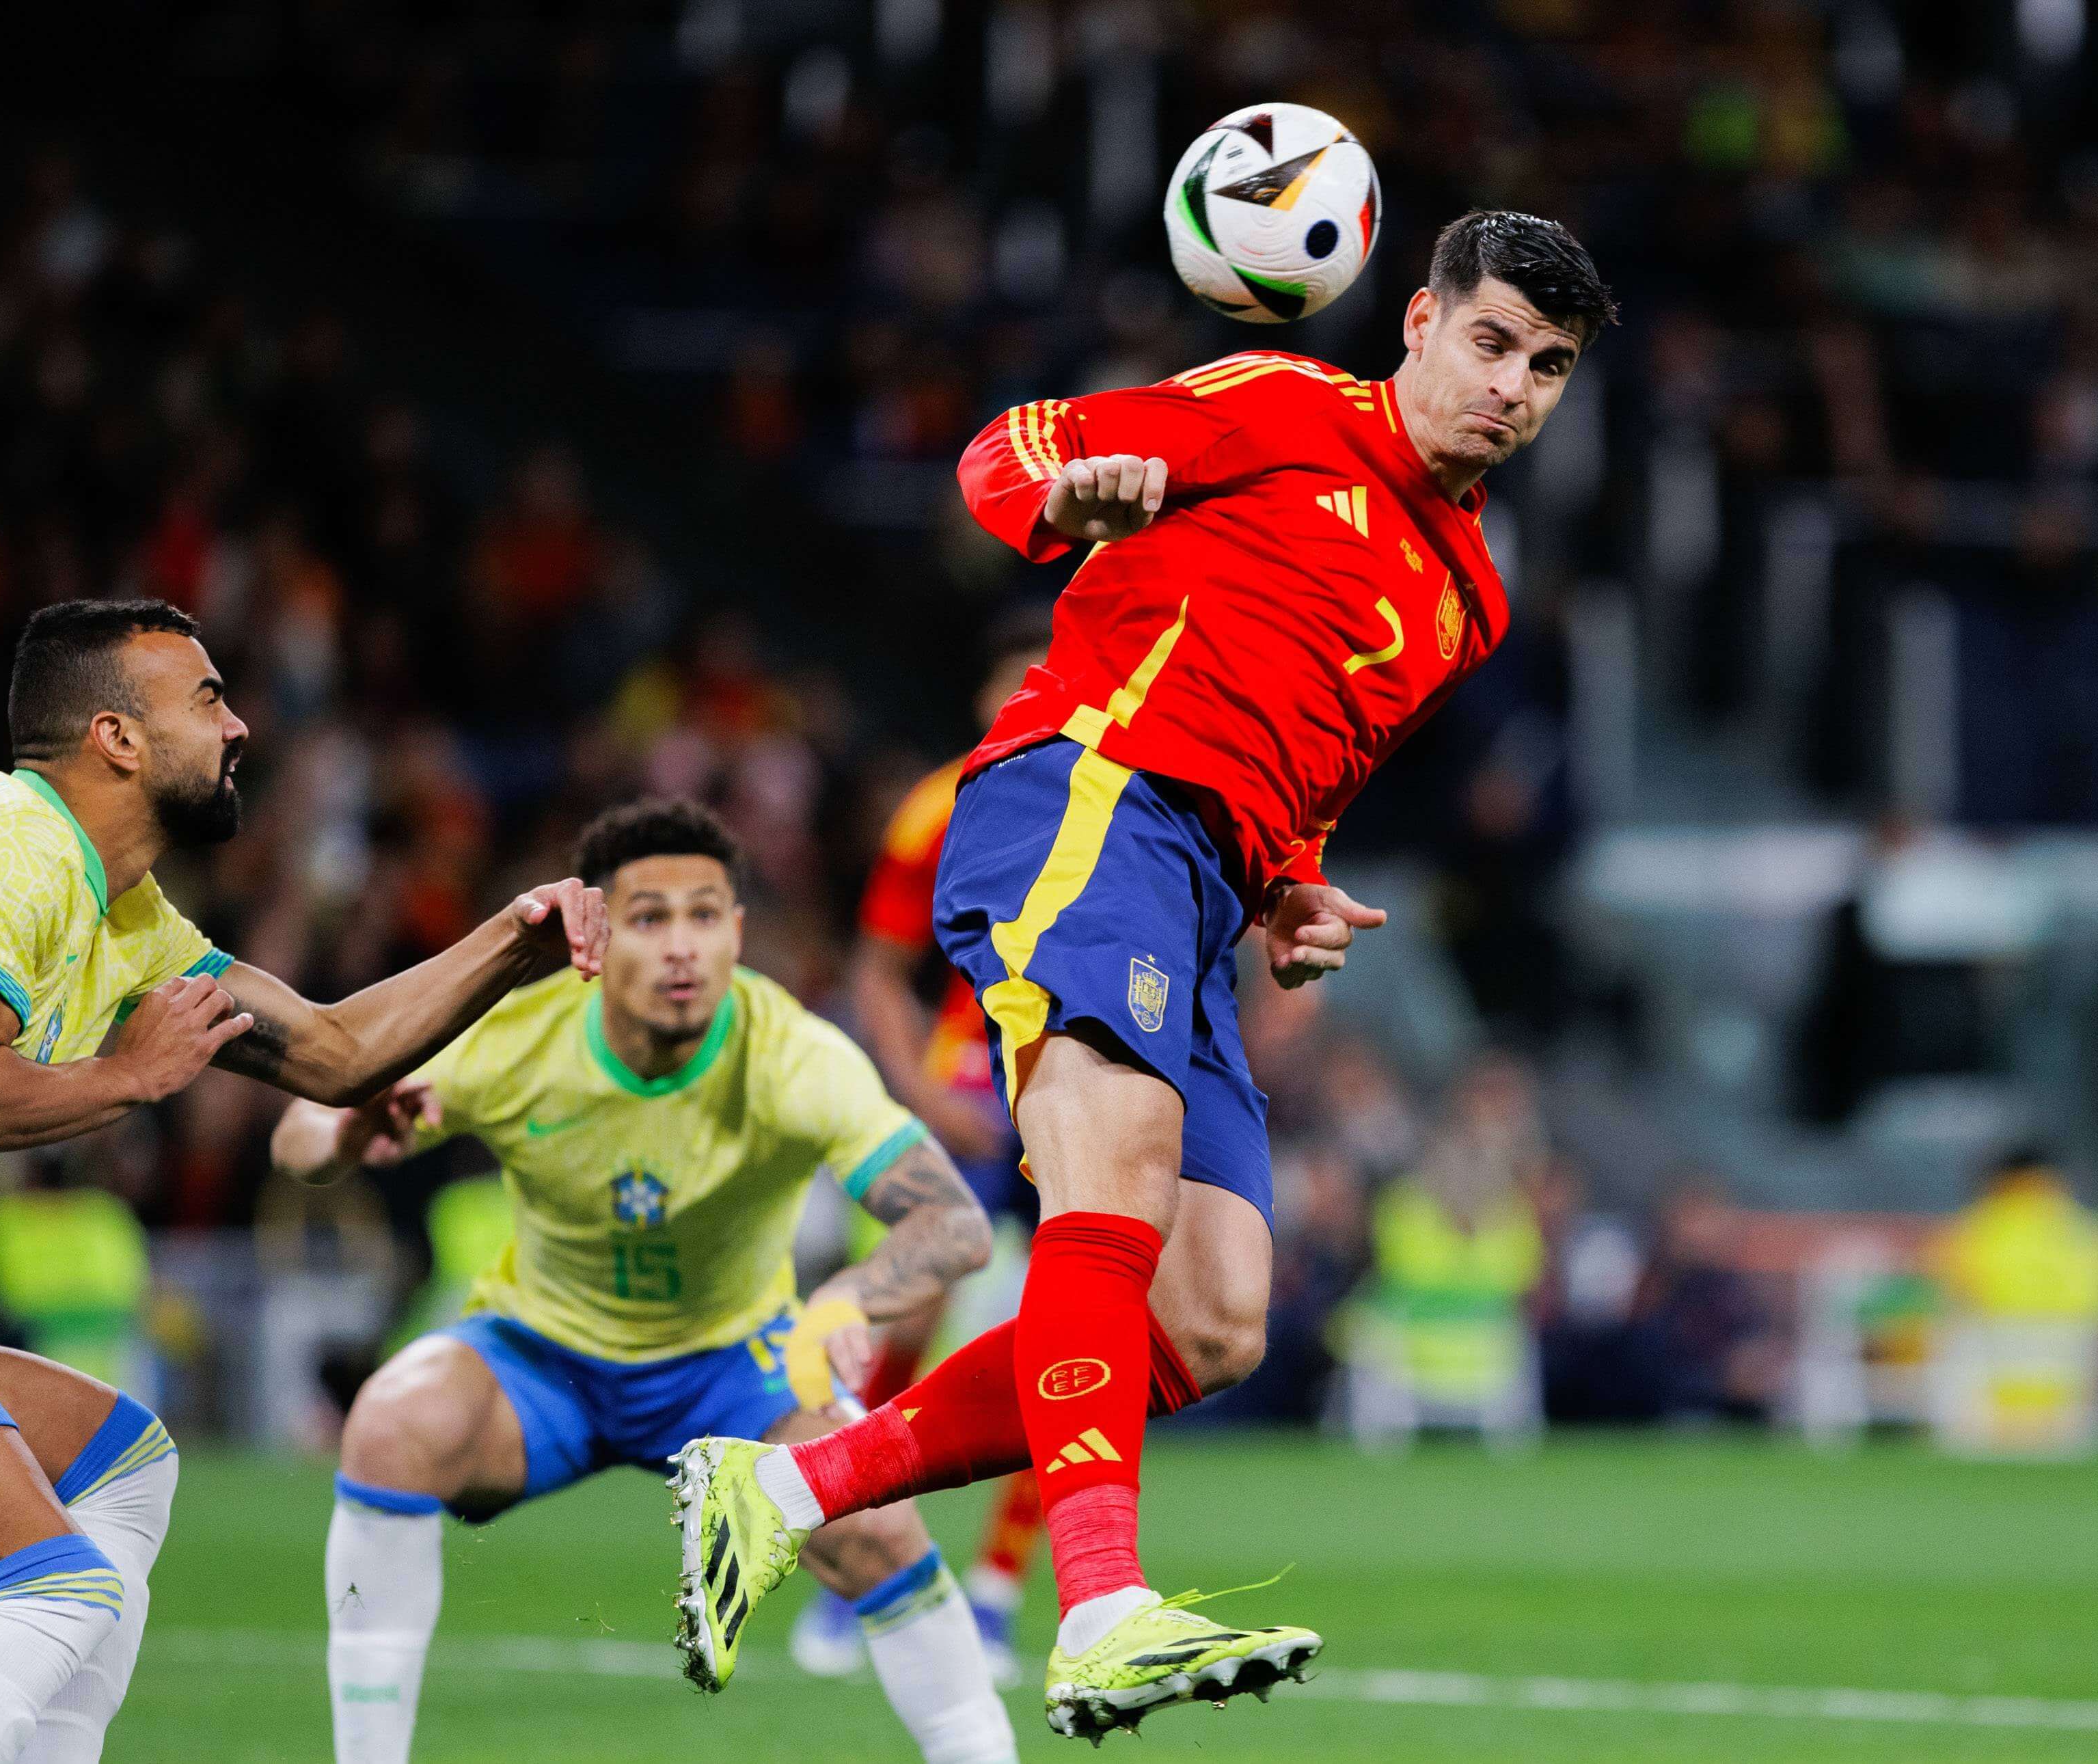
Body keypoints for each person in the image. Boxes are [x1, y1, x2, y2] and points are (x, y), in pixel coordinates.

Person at [673, 208, 1617, 1739]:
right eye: (1494, 342)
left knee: (1216, 1315)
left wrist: (1291, 882)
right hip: (1090, 794)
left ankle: (782, 1485)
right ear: (1422, 327)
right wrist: (1075, 491)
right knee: (1114, 1162)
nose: (1512, 385)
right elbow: (1006, 451)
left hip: (1200, 896)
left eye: (1549, 366)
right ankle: (1100, 1608)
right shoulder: (1282, 402)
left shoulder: (1469, 602)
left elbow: (1312, 752)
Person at [0, 597, 608, 1764]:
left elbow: (333, 1053)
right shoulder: (12, 846)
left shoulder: (126, 915)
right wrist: (126, 1075)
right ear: (116, 736)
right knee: (54, 1583)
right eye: (209, 698)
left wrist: (511, 946)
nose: (242, 726)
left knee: (122, 1464)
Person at [272, 798, 1016, 1764]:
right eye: (650, 917)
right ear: (595, 937)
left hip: (733, 1367)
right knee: (389, 1423)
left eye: (705, 915)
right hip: (544, 1363)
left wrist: (847, 1296)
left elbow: (953, 1219)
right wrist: (340, 1133)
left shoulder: (787, 1051)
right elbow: (298, 1126)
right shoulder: (515, 1033)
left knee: (875, 1524)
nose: (682, 947)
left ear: (737, 931)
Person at [789, 609, 1051, 1685]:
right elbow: (879, 969)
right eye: (1014, 681)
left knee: (1073, 1339)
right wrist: (915, 1093)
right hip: (965, 1094)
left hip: (1077, 1089)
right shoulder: (939, 807)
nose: (1031, 696)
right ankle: (861, 1570)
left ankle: (995, 1589)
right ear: (985, 693)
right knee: (905, 1321)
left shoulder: (1129, 796)